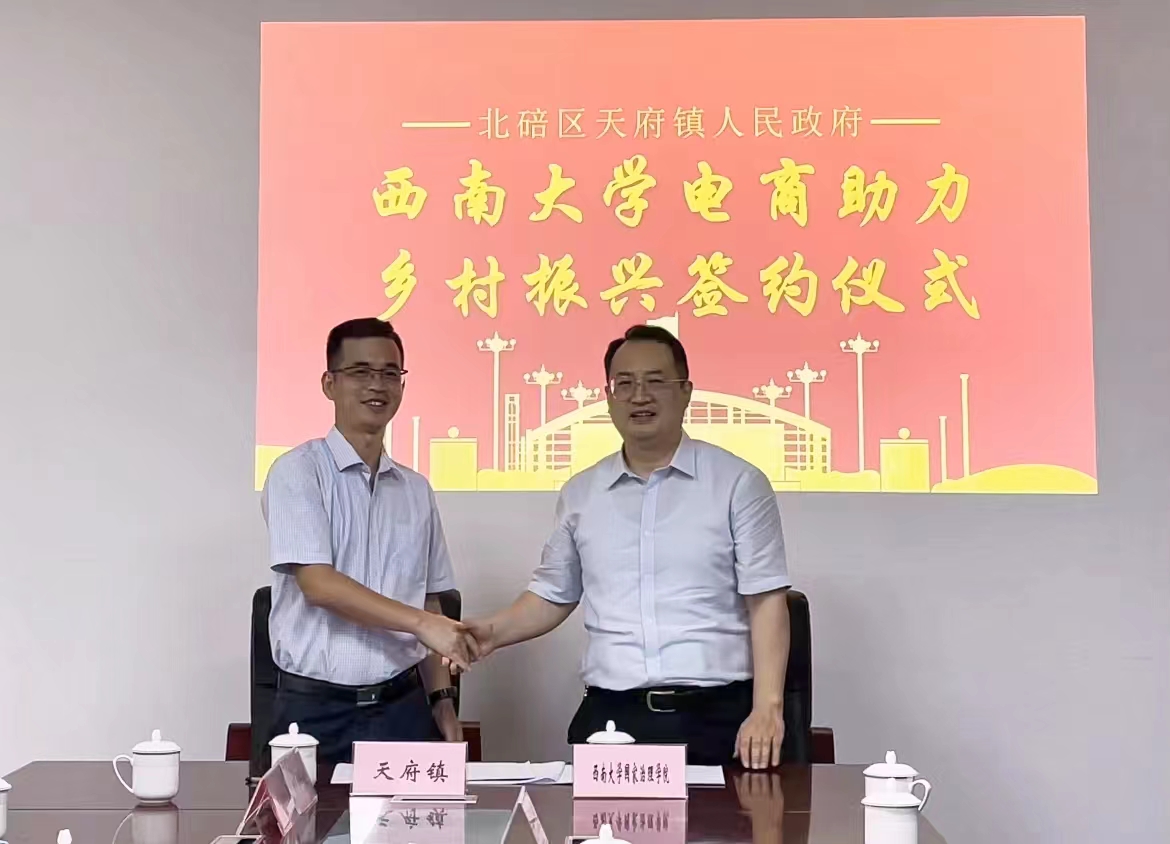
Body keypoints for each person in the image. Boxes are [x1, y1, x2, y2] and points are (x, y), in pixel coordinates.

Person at [465, 324, 791, 769]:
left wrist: (768, 707)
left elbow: (766, 599)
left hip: (718, 719)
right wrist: (491, 632)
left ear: (686, 392)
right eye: (625, 383)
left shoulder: (738, 484)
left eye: (655, 381)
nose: (639, 396)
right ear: (609, 395)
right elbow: (553, 594)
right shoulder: (582, 493)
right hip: (611, 720)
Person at [261, 317, 476, 765]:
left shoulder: (416, 490)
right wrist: (421, 624)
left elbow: (429, 601)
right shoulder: (298, 472)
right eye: (360, 372)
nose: (377, 385)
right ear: (329, 383)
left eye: (389, 373)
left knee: (416, 814)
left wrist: (441, 700)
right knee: (309, 816)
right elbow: (319, 584)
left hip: (402, 709)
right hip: (314, 712)